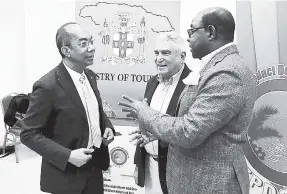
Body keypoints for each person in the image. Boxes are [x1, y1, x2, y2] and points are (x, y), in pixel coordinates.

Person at [119, 7, 256, 194]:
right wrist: (159, 135)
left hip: (210, 184)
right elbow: (201, 129)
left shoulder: (226, 72)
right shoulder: (215, 67)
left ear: (211, 32)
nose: (188, 38)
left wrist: (144, 112)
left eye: (192, 31)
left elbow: (188, 132)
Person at [20, 22, 115, 194]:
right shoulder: (47, 86)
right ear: (66, 51)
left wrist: (107, 126)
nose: (92, 48)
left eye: (91, 41)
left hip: (95, 168)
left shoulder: (90, 76)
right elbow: (28, 134)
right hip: (66, 175)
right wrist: (68, 156)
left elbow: (94, 111)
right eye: (83, 43)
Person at [133, 32, 191, 194]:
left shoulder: (194, 85)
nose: (159, 58)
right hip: (150, 167)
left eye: (166, 53)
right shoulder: (152, 82)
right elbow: (144, 128)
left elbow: (190, 131)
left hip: (177, 172)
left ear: (182, 56)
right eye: (156, 53)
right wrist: (139, 164)